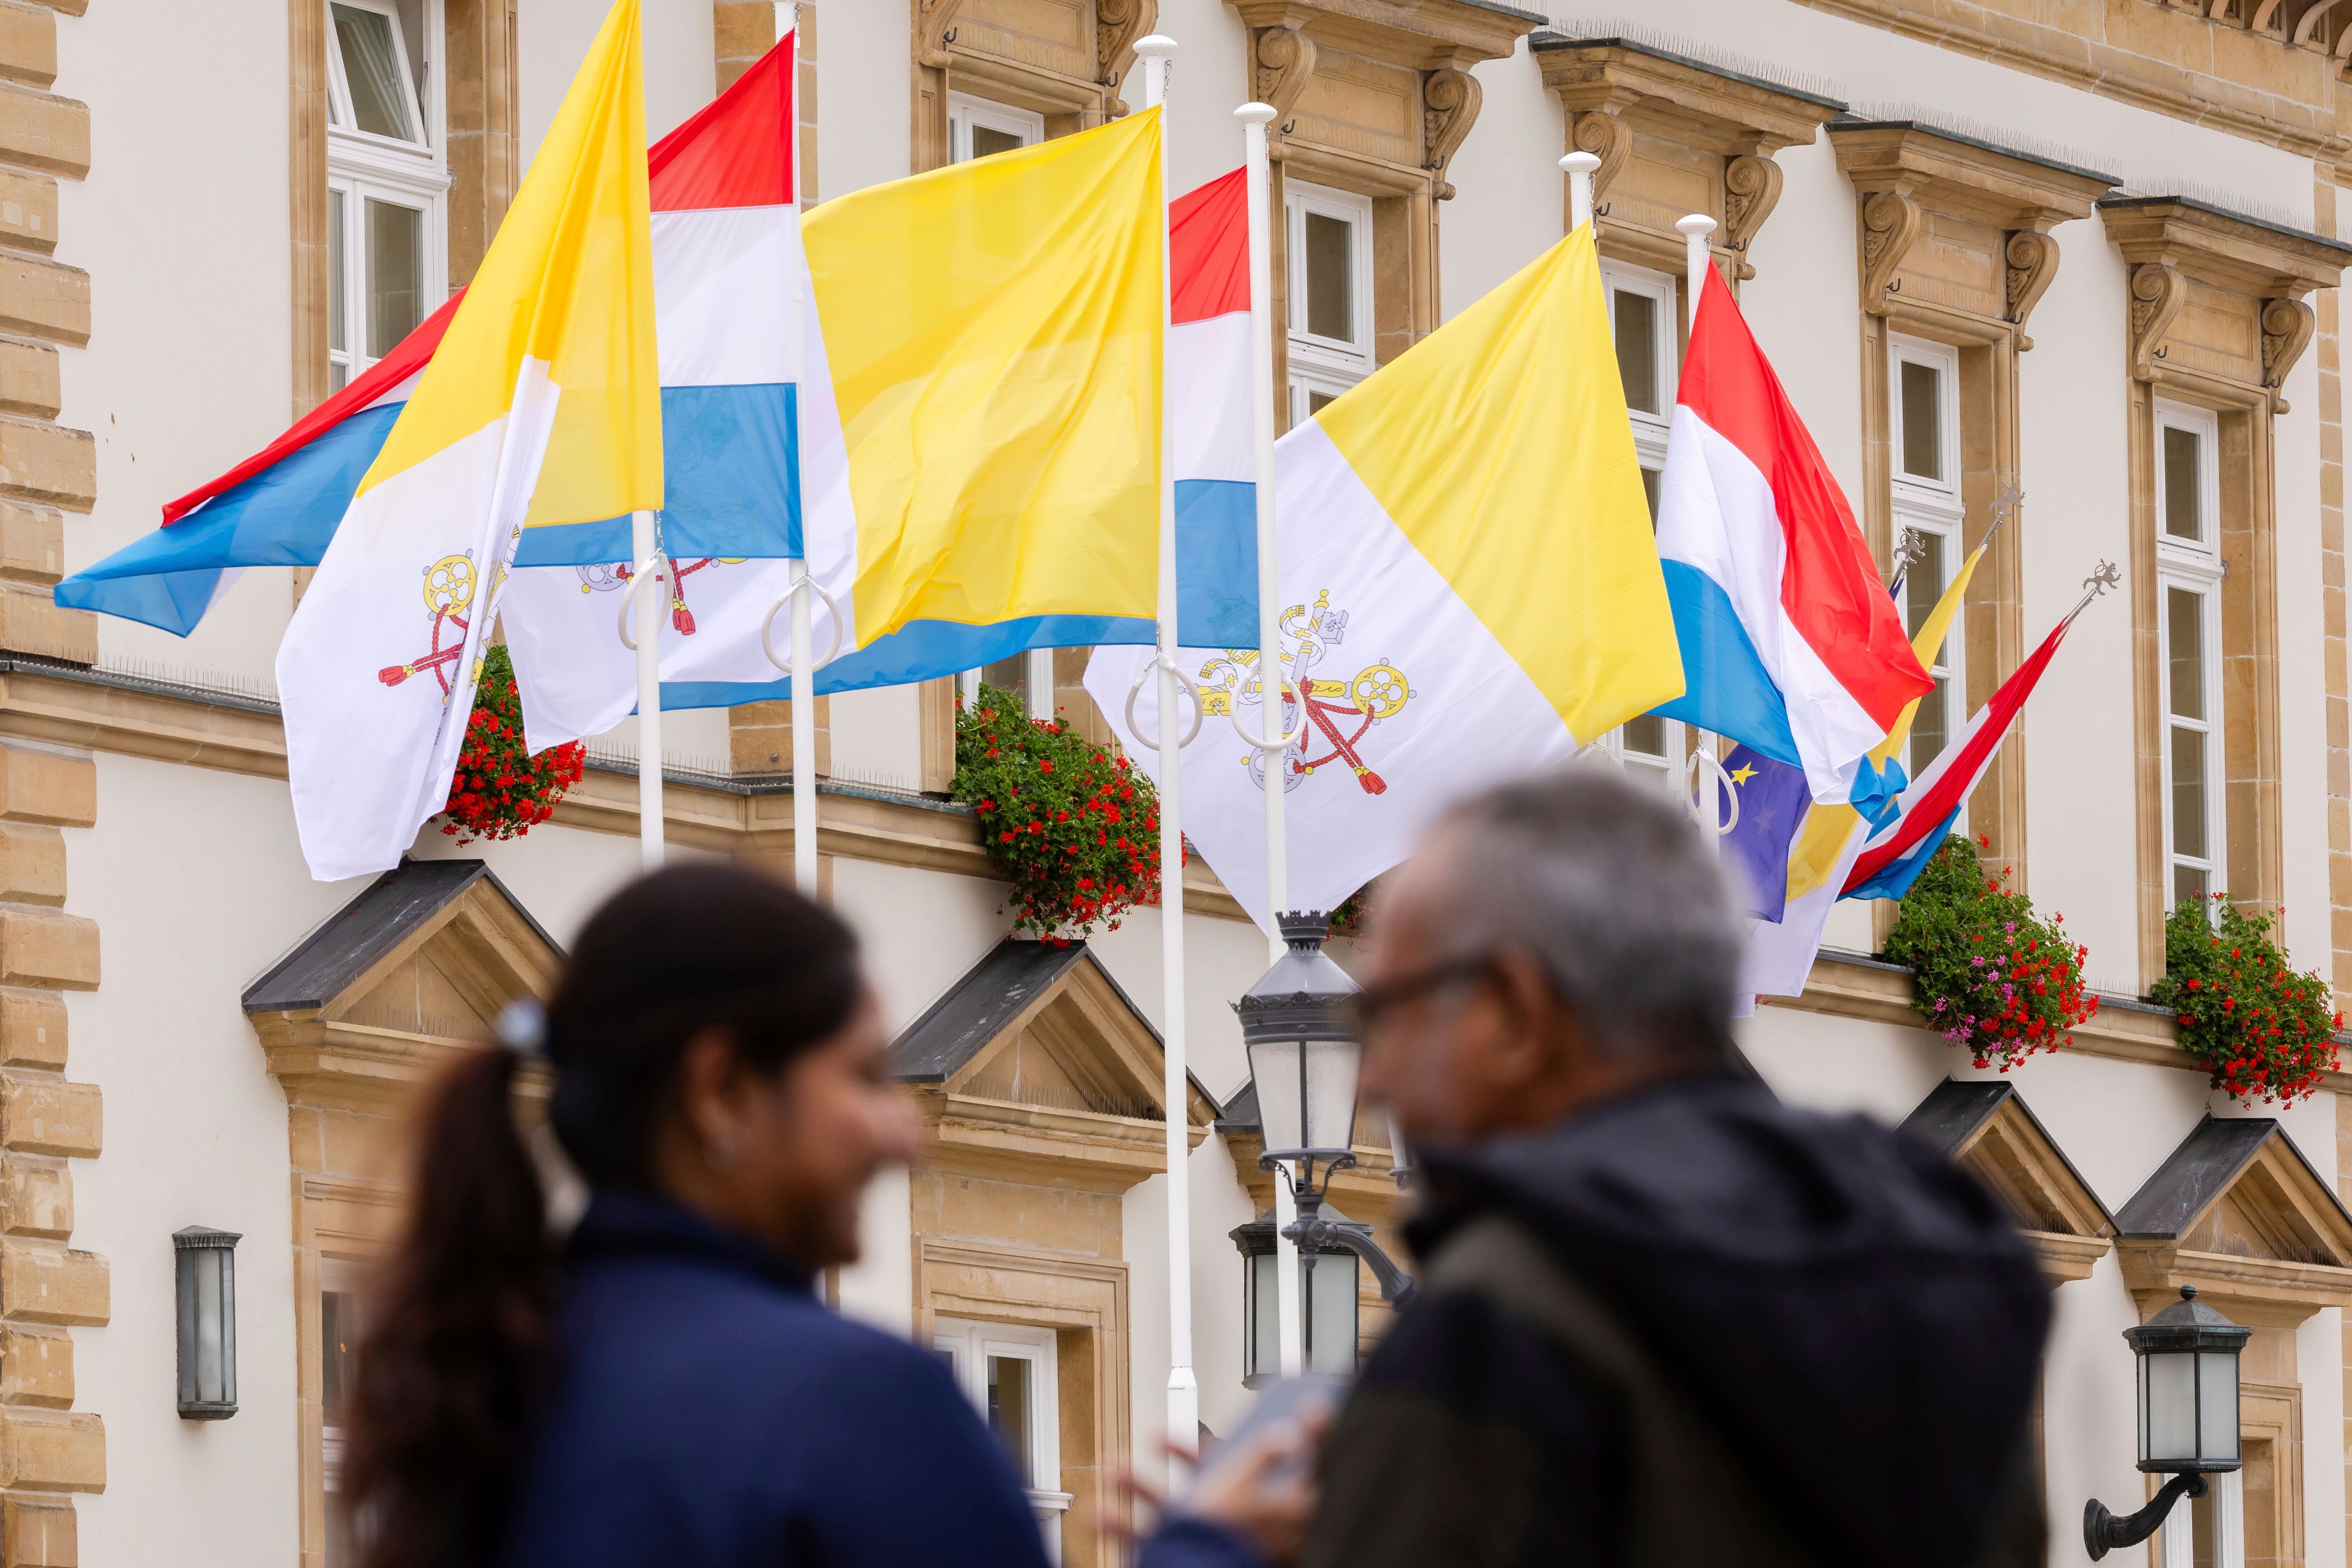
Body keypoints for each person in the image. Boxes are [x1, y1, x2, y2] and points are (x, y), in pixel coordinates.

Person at [1142, 764, 2051, 1568]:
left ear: (1513, 1011)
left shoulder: (1514, 1313)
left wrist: (1206, 1550)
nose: (1371, 1073)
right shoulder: (1935, 1277)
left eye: (1386, 1012)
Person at [342, 863, 1050, 1568]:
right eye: (864, 1075)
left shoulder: (488, 1390)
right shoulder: (863, 1405)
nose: (906, 1136)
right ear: (722, 1089)